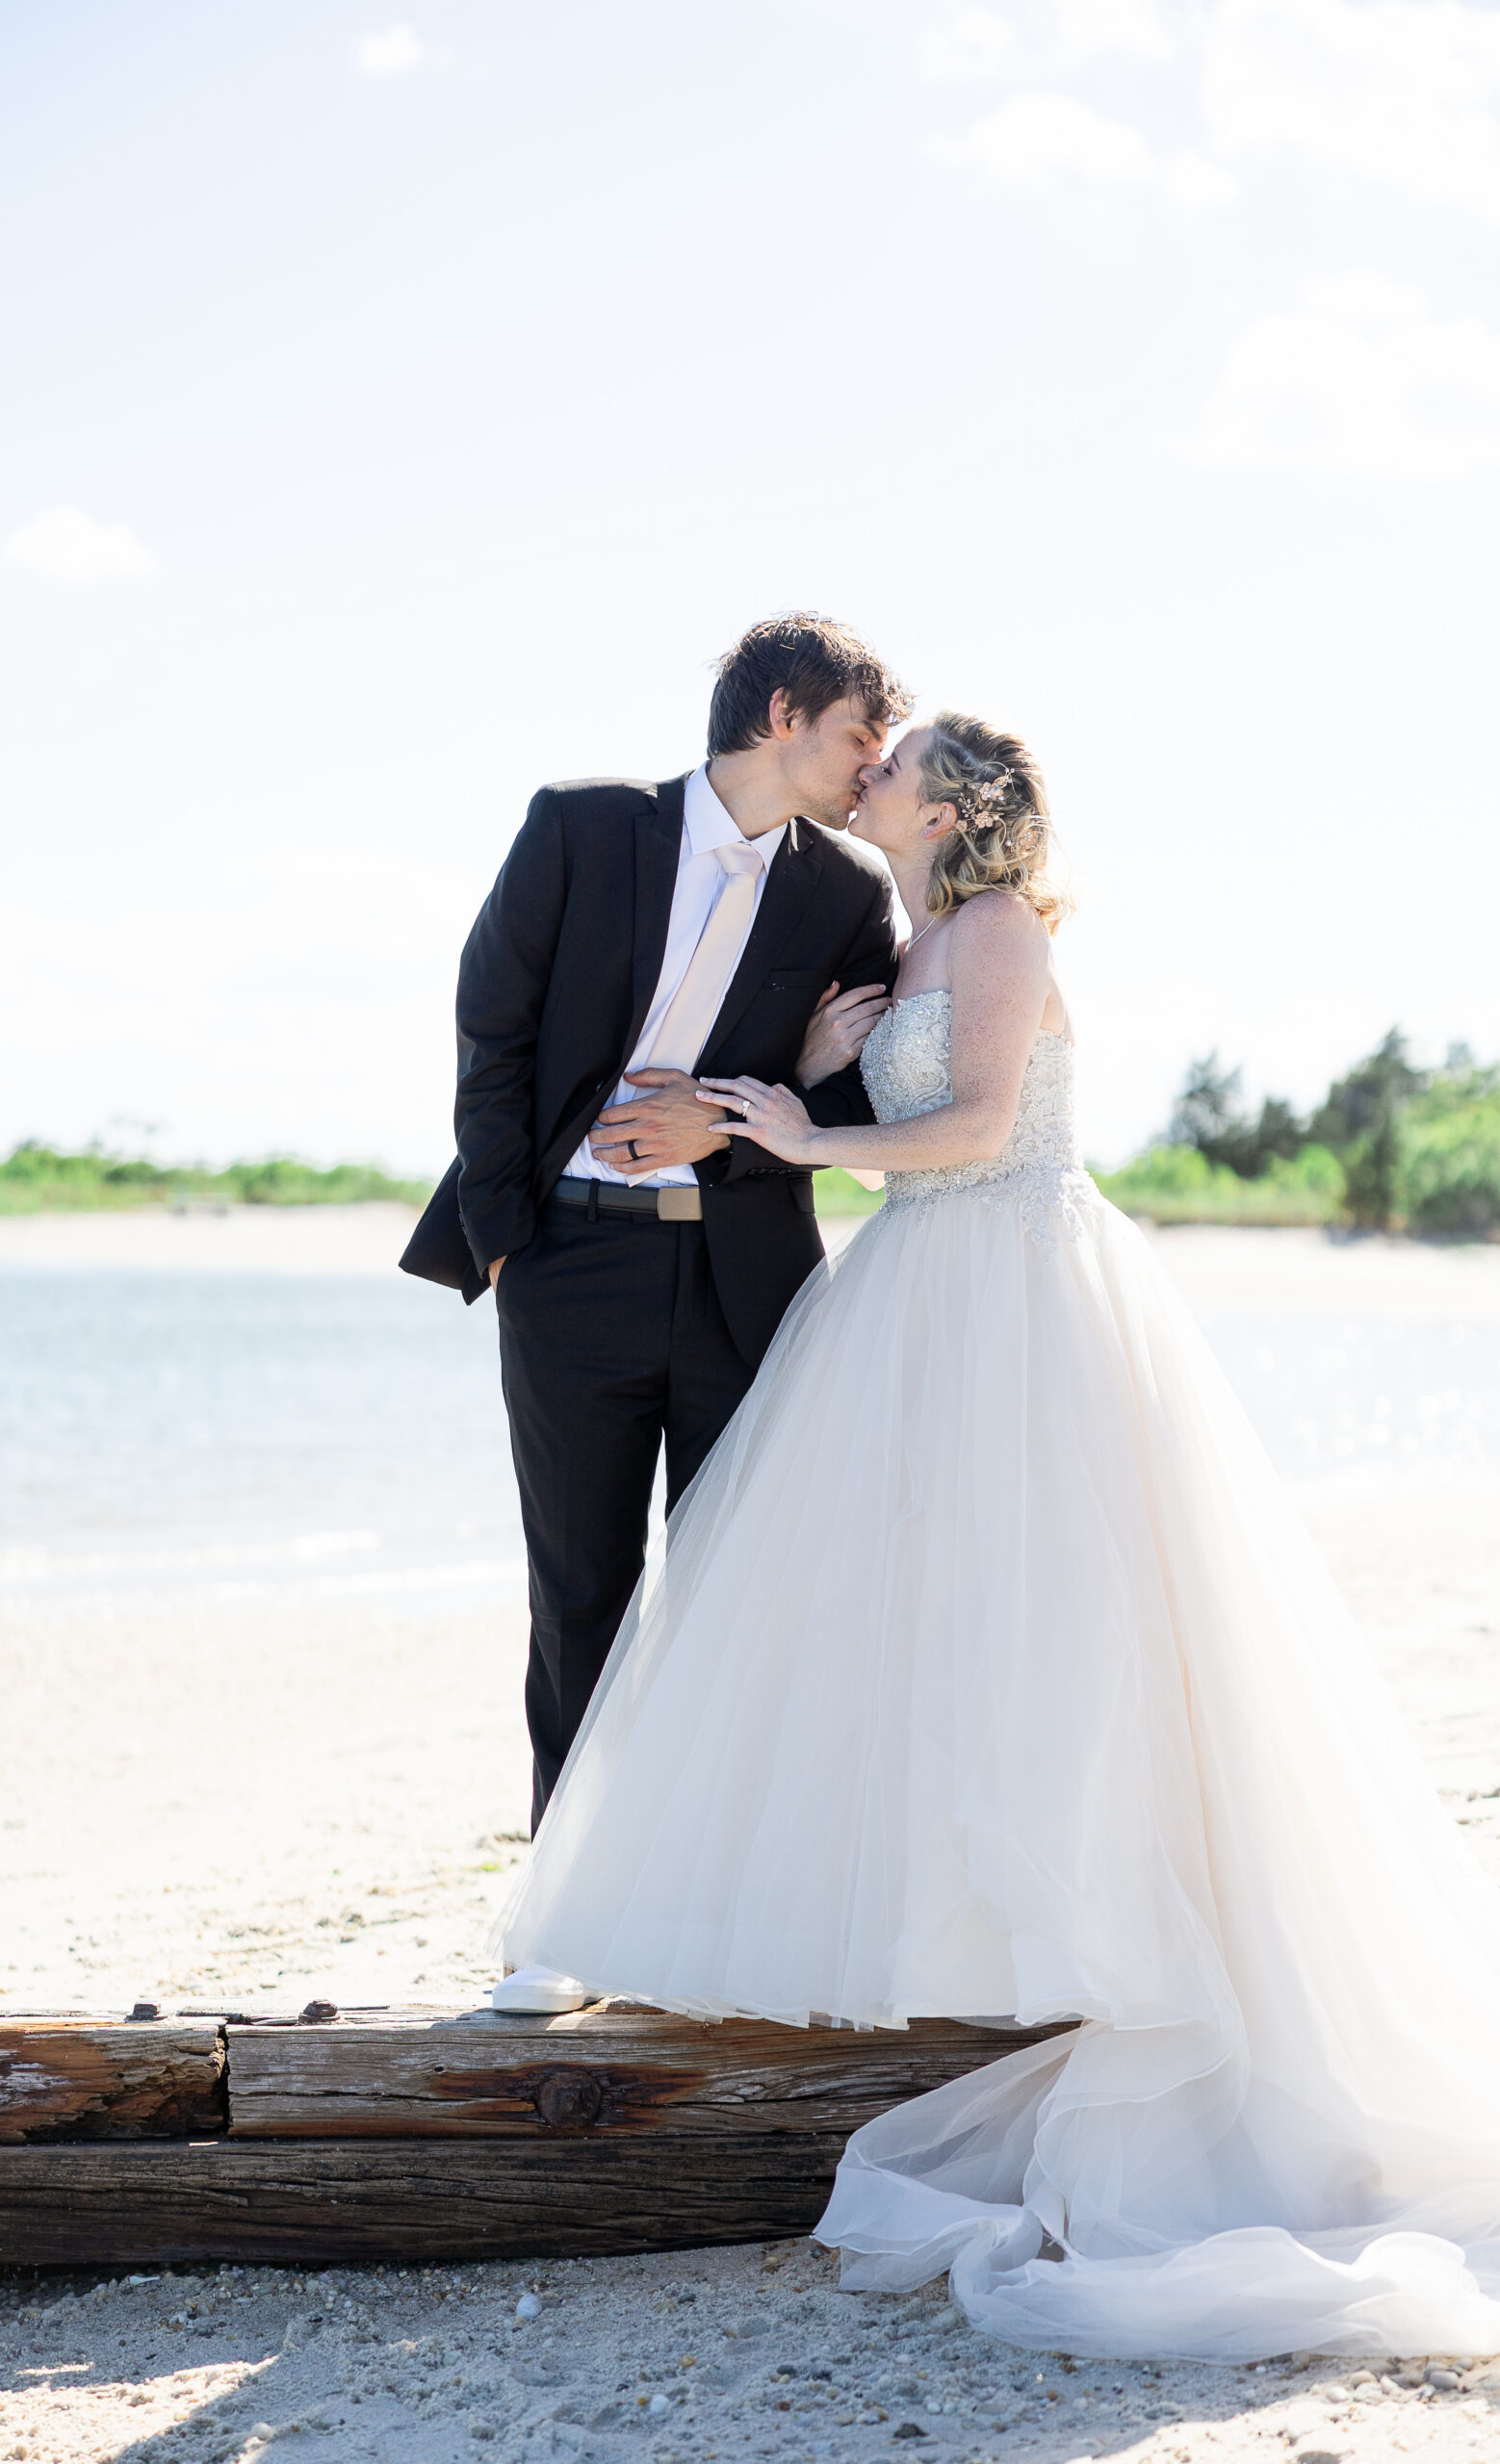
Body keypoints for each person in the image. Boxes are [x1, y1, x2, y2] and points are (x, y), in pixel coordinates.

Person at [492, 706, 1500, 2359]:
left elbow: (974, 1128)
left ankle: (1087, 1931)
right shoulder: (910, 938)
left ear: (951, 806)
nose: (870, 772)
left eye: (894, 761)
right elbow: (905, 1113)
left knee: (1055, 1616)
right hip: (921, 1290)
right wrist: (816, 1063)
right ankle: (938, 1930)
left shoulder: (1001, 931)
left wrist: (803, 1132)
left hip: (1018, 1286)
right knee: (904, 1614)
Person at [401, 613, 911, 2010]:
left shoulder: (847, 893)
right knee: (582, 1596)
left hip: (747, 1281)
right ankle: (564, 1926)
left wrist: (736, 1117)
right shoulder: (580, 826)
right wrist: (511, 1245)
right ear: (784, 713)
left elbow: (862, 1098)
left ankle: (720, 1915)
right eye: (862, 731)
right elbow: (492, 1031)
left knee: (742, 1599)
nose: (874, 762)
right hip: (567, 1268)